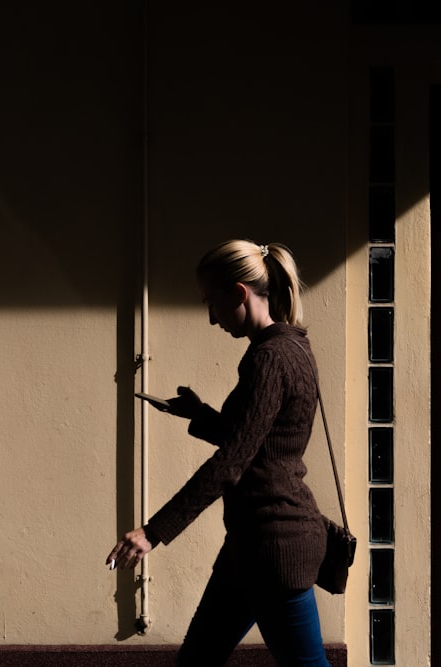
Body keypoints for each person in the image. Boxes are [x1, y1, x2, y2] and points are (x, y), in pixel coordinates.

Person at [106, 239, 331, 667]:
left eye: (212, 303)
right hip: (252, 545)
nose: (211, 318)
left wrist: (154, 531)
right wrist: (200, 415)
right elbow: (260, 443)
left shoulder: (269, 358)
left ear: (240, 294)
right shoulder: (294, 348)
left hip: (274, 547)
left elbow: (233, 462)